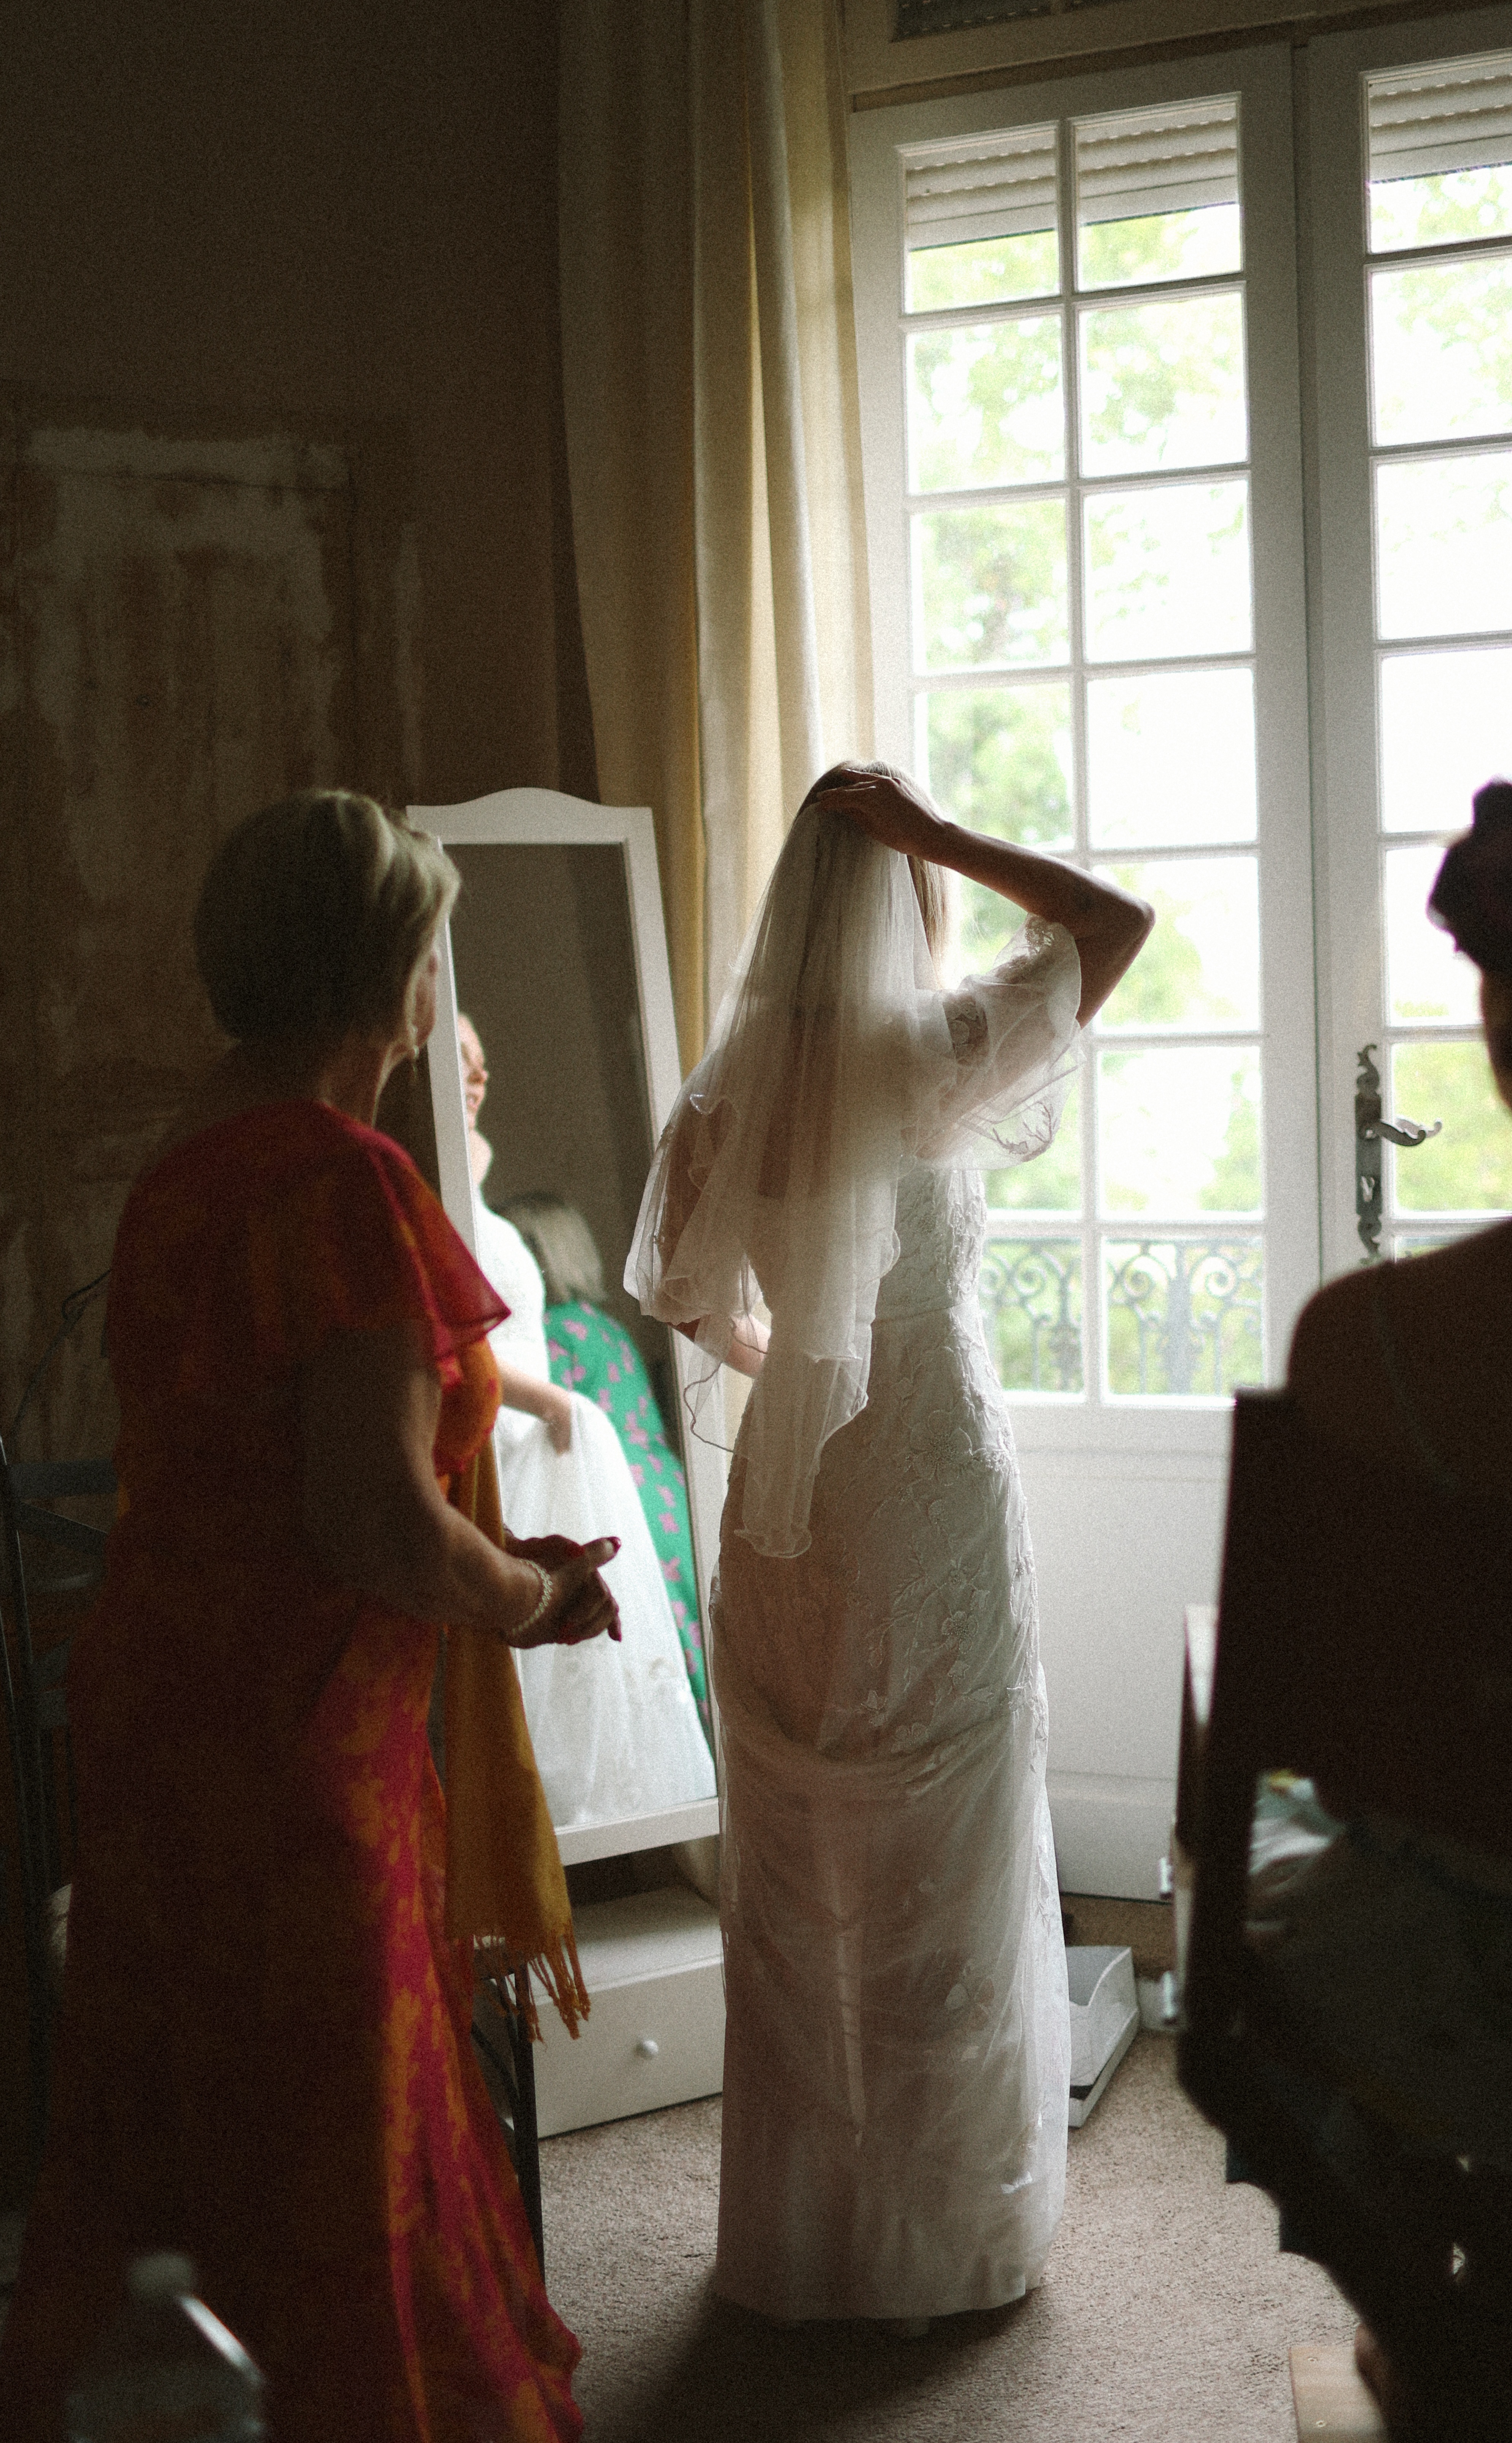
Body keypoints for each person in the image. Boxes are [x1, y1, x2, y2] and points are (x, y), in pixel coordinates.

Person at [0, 790, 622, 2443]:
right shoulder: (343, 1184)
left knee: (189, 2115)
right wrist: (535, 1594)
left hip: (162, 1702)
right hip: (288, 1737)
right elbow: (374, 1527)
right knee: (328, 2128)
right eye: (431, 953)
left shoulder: (187, 1170)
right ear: (391, 979)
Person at [628, 760, 1154, 2328]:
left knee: (796, 1873)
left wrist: (801, 1365)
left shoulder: (724, 1091)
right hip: (926, 1483)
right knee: (942, 1843)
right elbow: (1113, 922)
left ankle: (804, 2242)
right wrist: (937, 830)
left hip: (791, 1514)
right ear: (902, 897)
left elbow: (678, 1295)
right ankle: (947, 2243)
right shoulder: (929, 1054)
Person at [1264, 723, 1512, 2427]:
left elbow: (1347, 1758)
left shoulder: (1361, 1347)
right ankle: (1491, 2326)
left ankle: (1436, 2327)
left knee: (1424, 1895)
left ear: (1500, 1036)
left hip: (1450, 1996)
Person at [457, 1018, 716, 1828]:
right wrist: (550, 1402)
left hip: (564, 1451)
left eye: (483, 1059)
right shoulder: (439, 1181)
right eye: (460, 1059)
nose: (479, 1077)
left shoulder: (476, 1185)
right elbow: (457, 1344)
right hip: (521, 1445)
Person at [502, 1190, 707, 1732]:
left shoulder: (554, 1335)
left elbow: (544, 1439)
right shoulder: (604, 1326)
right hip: (667, 1491)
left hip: (621, 1499)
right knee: (688, 1640)